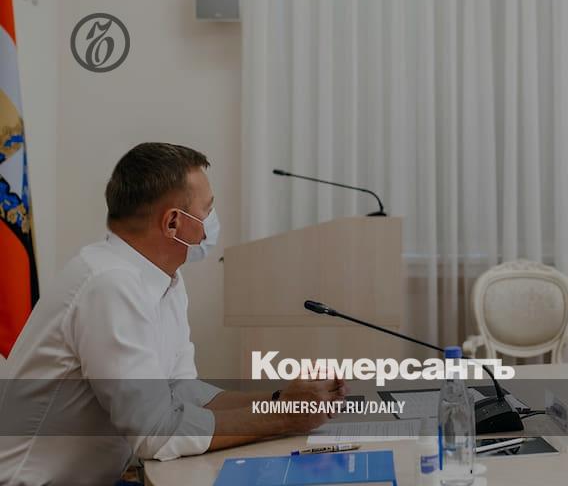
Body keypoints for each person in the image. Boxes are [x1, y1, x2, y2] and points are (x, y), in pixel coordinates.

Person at [0, 143, 344, 485]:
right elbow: (157, 434)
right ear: (173, 222)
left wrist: (282, 400)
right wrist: (284, 417)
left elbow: (181, 394)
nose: (212, 222)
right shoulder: (109, 285)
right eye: (208, 209)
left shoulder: (165, 280)